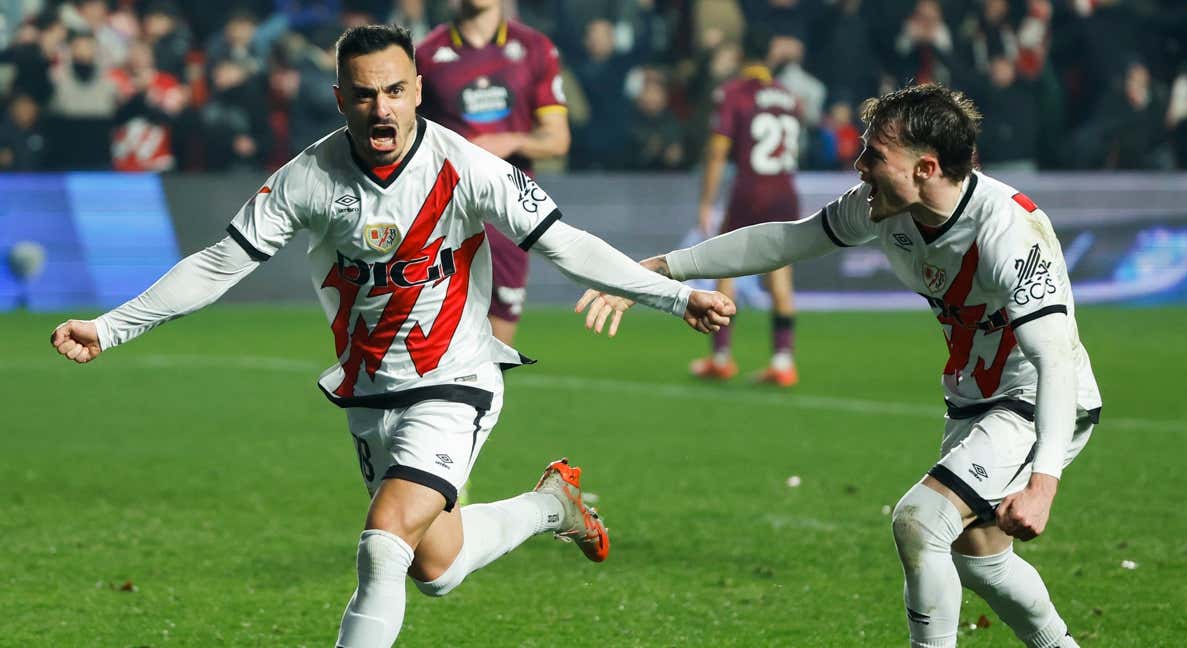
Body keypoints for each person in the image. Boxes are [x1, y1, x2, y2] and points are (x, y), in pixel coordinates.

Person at [50, 24, 734, 648]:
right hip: (372, 391)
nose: (384, 109)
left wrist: (674, 297)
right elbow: (219, 263)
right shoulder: (309, 178)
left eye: (397, 91)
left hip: (456, 379)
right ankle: (551, 505)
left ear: (417, 91)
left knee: (382, 545)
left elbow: (566, 244)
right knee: (435, 566)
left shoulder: (465, 167)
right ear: (341, 97)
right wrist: (110, 328)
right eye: (367, 94)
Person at [578, 83, 1101, 648]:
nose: (858, 167)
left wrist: (1043, 483)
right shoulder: (885, 209)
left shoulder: (1008, 233)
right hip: (976, 400)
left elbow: (1053, 360)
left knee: (921, 522)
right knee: (980, 559)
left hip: (1037, 401)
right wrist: (660, 269)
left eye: (874, 155)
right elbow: (784, 241)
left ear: (925, 167)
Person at [414, 0, 569, 347]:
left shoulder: (534, 48)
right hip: (446, 211)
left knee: (498, 347)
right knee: (437, 342)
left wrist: (509, 139)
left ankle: (485, 402)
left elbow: (558, 140)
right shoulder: (424, 55)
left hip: (509, 208)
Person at [690, 31, 804, 387]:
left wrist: (707, 201)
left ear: (742, 59)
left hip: (750, 190)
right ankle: (783, 361)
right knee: (780, 276)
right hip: (785, 191)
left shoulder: (733, 94)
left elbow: (718, 151)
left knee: (728, 267)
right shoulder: (788, 98)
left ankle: (721, 356)